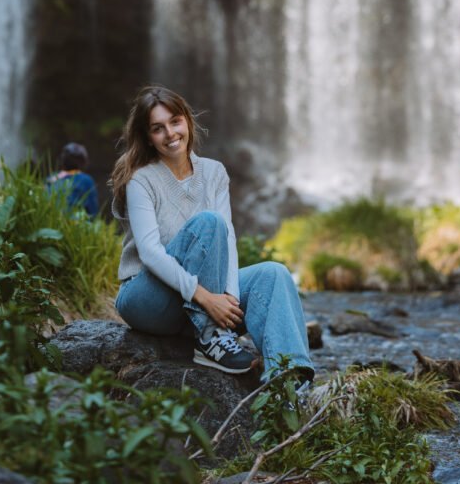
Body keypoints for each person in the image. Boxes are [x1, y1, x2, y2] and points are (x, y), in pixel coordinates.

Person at [109, 85, 314, 391]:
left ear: (188, 122)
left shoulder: (214, 172)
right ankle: (210, 337)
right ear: (148, 137)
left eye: (175, 122)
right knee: (209, 222)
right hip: (148, 298)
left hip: (192, 305)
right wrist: (207, 300)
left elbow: (228, 239)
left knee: (274, 274)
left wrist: (228, 296)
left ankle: (289, 384)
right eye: (157, 128)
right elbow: (151, 254)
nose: (170, 133)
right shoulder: (142, 179)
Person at [46, 141, 99, 218]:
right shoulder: (86, 180)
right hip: (74, 224)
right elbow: (93, 212)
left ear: (62, 160)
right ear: (83, 162)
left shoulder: (51, 178)